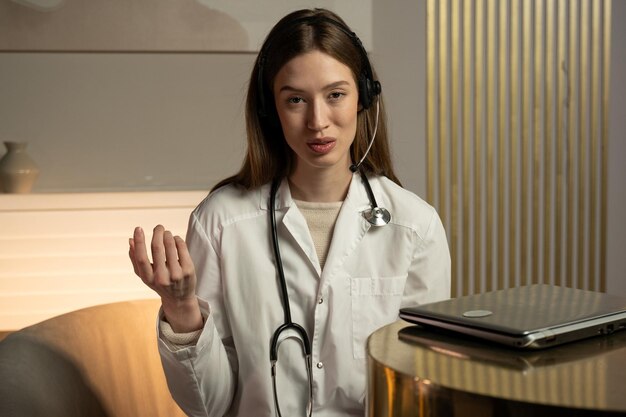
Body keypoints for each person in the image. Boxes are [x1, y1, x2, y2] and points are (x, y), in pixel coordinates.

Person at [128, 8, 450, 417]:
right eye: (296, 99)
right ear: (270, 109)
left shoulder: (415, 227)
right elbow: (206, 405)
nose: (317, 122)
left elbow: (418, 390)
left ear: (364, 97)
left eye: (336, 95)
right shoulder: (220, 222)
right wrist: (182, 310)